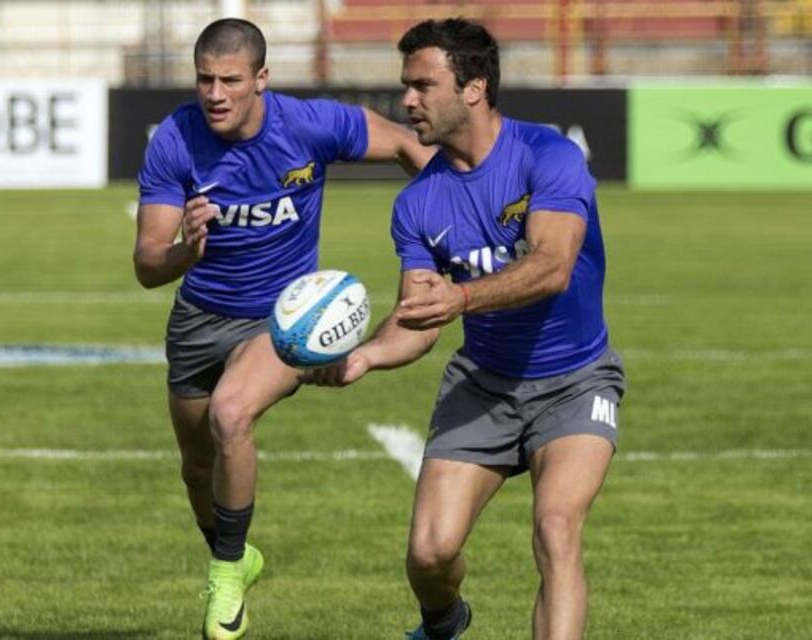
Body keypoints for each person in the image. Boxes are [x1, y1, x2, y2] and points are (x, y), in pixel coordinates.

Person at [306, 18, 626, 640]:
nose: (407, 101)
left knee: (556, 528)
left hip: (576, 381)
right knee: (429, 555)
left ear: (474, 88)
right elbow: (417, 319)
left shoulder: (548, 156)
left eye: (423, 85)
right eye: (406, 86)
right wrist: (367, 357)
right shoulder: (417, 204)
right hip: (482, 385)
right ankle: (445, 621)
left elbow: (553, 266)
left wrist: (460, 298)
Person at [132, 18, 433, 640]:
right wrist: (186, 252)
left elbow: (409, 146)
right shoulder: (176, 140)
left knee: (231, 413)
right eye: (204, 80)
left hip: (281, 318)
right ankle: (237, 554)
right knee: (196, 468)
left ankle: (222, 577)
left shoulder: (309, 125)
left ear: (261, 79)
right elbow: (146, 265)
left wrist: (454, 214)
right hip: (198, 318)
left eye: (230, 81)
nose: (215, 94)